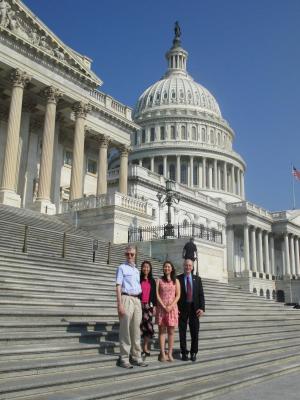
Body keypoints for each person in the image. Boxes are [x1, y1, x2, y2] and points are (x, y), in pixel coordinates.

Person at [115, 245, 147, 368]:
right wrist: (119, 304)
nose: (129, 256)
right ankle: (124, 358)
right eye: (127, 254)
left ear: (135, 255)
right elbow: (118, 286)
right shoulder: (121, 268)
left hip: (136, 300)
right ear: (125, 255)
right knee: (125, 330)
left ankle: (136, 356)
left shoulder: (136, 270)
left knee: (136, 330)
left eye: (132, 254)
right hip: (126, 298)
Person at [177, 258, 205, 362]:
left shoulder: (197, 279)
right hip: (182, 308)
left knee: (195, 332)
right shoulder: (178, 279)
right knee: (182, 332)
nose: (188, 267)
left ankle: (193, 352)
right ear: (183, 266)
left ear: (192, 267)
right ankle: (184, 352)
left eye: (189, 265)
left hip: (194, 309)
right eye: (186, 265)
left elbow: (201, 294)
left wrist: (202, 308)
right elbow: (175, 295)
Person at [156, 261, 180, 362]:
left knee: (171, 332)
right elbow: (157, 294)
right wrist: (163, 306)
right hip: (162, 308)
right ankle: (162, 353)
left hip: (172, 308)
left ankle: (169, 353)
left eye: (168, 267)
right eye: (165, 267)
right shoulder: (159, 280)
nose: (167, 268)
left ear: (172, 268)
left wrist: (171, 306)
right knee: (162, 332)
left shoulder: (176, 281)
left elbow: (178, 295)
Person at [140, 260, 157, 357]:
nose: (146, 268)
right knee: (139, 327)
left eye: (147, 267)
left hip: (149, 307)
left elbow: (154, 295)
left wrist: (154, 306)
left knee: (148, 328)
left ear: (150, 269)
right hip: (139, 305)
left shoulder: (152, 281)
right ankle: (137, 348)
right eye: (144, 267)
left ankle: (145, 348)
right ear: (142, 268)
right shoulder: (138, 278)